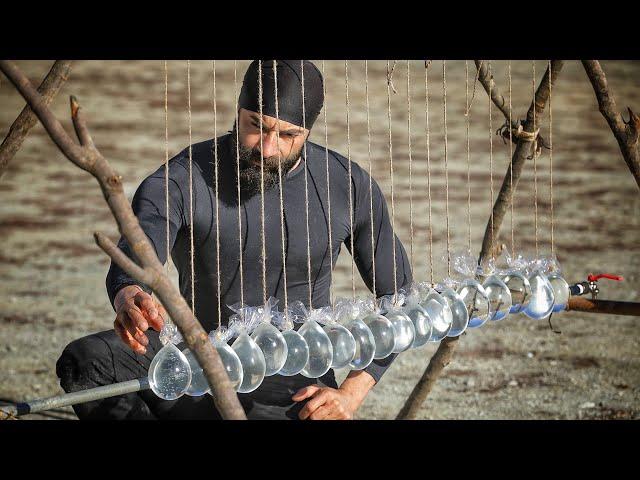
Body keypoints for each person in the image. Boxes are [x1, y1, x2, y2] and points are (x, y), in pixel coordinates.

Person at [56, 60, 412, 420]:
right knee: (86, 363)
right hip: (194, 363)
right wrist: (129, 297)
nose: (268, 148)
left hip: (291, 387)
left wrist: (350, 394)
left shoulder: (346, 185)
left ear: (308, 132)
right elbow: (133, 259)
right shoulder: (182, 178)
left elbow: (401, 299)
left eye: (288, 135)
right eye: (257, 126)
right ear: (238, 112)